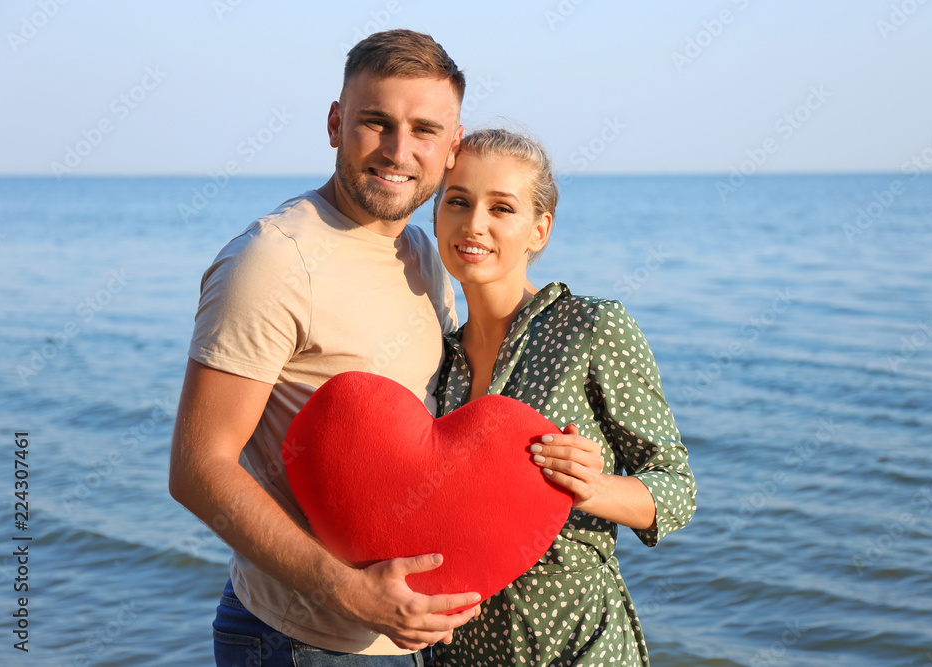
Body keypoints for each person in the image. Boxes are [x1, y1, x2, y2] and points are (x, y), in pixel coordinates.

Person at [168, 30, 483, 665]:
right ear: (336, 123)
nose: (398, 151)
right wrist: (352, 594)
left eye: (424, 130)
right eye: (376, 122)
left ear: (452, 149)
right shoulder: (273, 259)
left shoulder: (423, 254)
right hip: (299, 640)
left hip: (404, 636)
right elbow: (199, 469)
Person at [429, 128, 697, 665]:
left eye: (501, 208)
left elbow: (677, 490)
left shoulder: (591, 326)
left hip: (577, 644)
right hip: (462, 651)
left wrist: (592, 488)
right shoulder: (436, 357)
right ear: (436, 215)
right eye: (457, 201)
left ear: (539, 230)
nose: (473, 224)